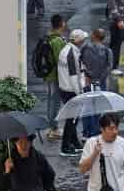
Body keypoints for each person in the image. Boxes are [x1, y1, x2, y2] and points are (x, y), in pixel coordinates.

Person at [57, 28, 88, 156]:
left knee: (72, 118)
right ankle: (65, 147)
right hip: (71, 90)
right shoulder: (72, 54)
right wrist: (80, 93)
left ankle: (74, 143)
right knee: (72, 120)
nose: (84, 41)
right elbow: (74, 76)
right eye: (83, 39)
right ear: (79, 40)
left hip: (65, 88)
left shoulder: (66, 50)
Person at [79, 27, 112, 138]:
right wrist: (99, 79)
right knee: (98, 107)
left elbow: (80, 62)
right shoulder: (107, 51)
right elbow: (108, 67)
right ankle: (95, 130)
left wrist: (87, 75)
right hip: (100, 82)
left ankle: (86, 132)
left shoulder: (85, 48)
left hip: (87, 81)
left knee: (86, 107)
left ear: (94, 36)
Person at [42, 13, 69, 125]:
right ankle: (53, 126)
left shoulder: (49, 37)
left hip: (48, 73)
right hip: (56, 74)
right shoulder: (57, 41)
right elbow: (61, 60)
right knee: (55, 101)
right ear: (61, 24)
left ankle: (51, 123)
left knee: (51, 99)